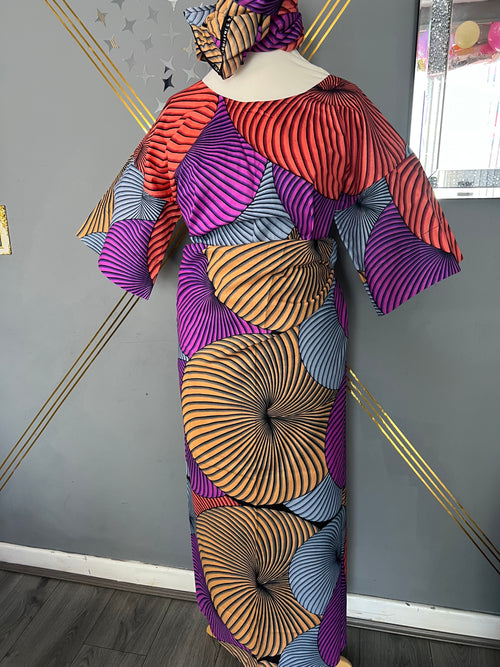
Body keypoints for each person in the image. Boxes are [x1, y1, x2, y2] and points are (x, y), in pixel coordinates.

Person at [78, 1, 463, 665]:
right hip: (219, 328)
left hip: (294, 334)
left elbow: (131, 230)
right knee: (218, 482)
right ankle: (230, 617)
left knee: (309, 485)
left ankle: (305, 649)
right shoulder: (207, 108)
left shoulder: (330, 104)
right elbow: (141, 214)